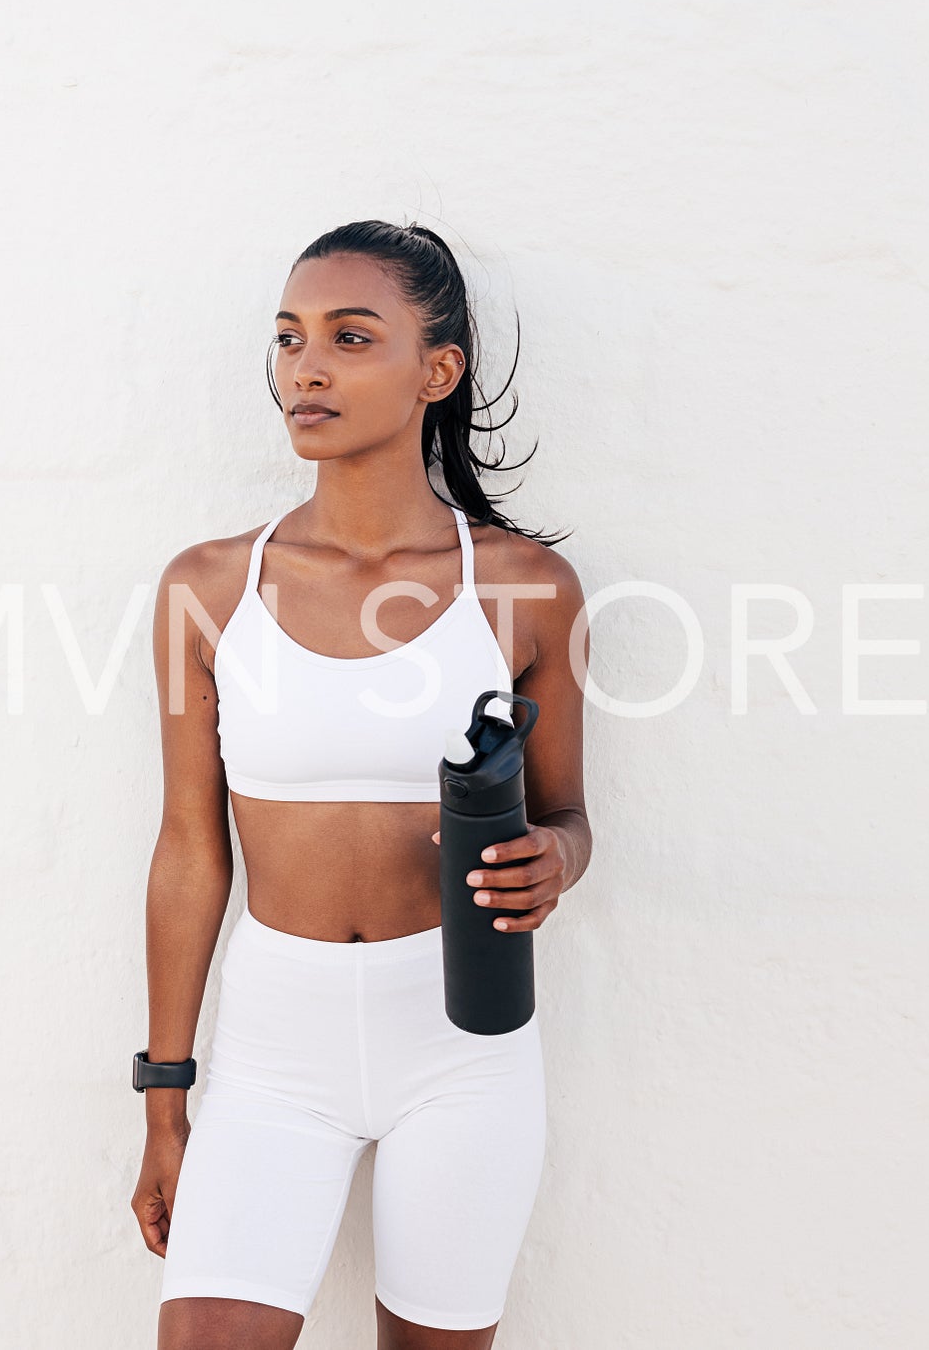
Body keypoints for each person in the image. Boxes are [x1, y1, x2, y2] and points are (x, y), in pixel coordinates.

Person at [132, 219, 592, 1350]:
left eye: (348, 337)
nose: (306, 368)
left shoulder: (523, 589)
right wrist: (164, 1094)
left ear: (437, 372)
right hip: (270, 1048)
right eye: (289, 339)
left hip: (460, 1040)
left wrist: (556, 861)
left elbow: (569, 816)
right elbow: (191, 848)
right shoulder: (209, 585)